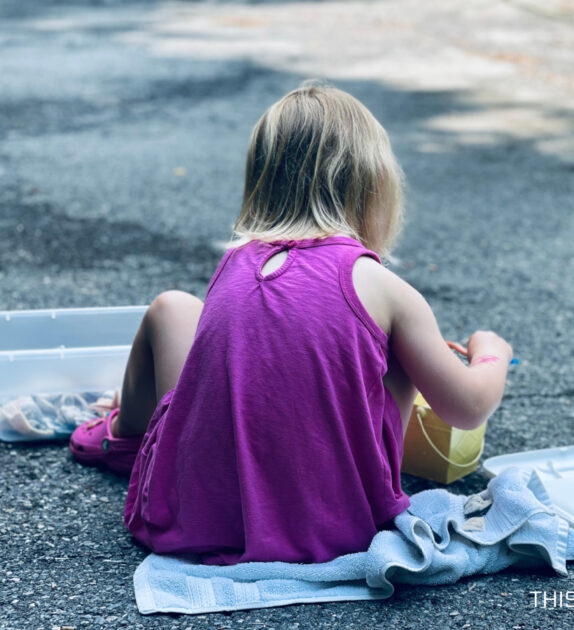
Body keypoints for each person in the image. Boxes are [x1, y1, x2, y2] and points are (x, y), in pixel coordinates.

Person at [68, 81, 513, 565]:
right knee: (397, 351)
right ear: (375, 187)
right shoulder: (386, 290)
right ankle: (127, 429)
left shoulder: (236, 264)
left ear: (262, 180)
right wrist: (492, 352)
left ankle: (122, 436)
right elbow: (467, 408)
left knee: (171, 308)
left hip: (192, 517)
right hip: (338, 526)